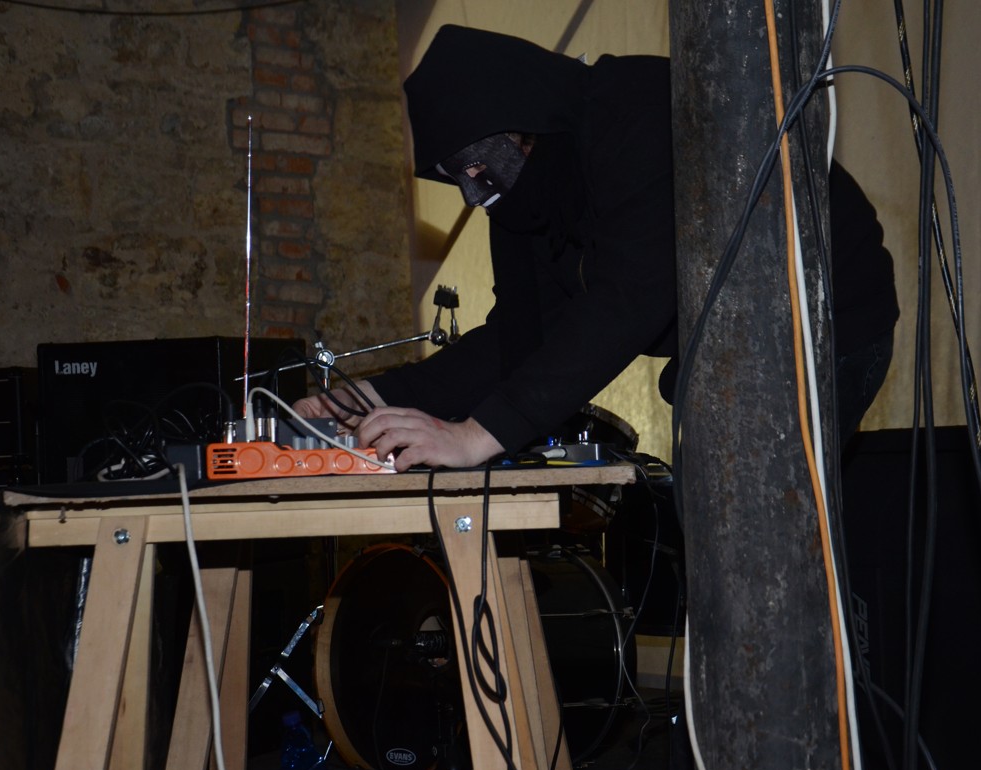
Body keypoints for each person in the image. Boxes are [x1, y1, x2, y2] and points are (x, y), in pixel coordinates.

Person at [292, 24, 897, 470]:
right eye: (460, 179)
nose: (476, 194)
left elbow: (630, 298)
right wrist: (367, 397)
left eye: (479, 167)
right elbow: (519, 338)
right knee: (709, 513)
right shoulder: (526, 192)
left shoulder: (638, 116)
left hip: (829, 317)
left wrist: (477, 435)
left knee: (754, 514)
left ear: (521, 125)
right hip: (728, 339)